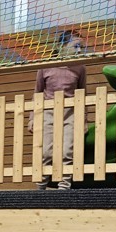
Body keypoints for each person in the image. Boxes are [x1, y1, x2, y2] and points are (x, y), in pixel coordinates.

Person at [30, 31, 86, 190]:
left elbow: (82, 94)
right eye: (76, 46)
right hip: (48, 112)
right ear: (62, 46)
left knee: (67, 150)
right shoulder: (46, 67)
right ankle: (41, 185)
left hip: (70, 113)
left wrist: (83, 120)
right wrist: (33, 118)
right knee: (46, 152)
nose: (79, 51)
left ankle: (64, 186)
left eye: (81, 47)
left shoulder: (80, 68)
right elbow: (37, 92)